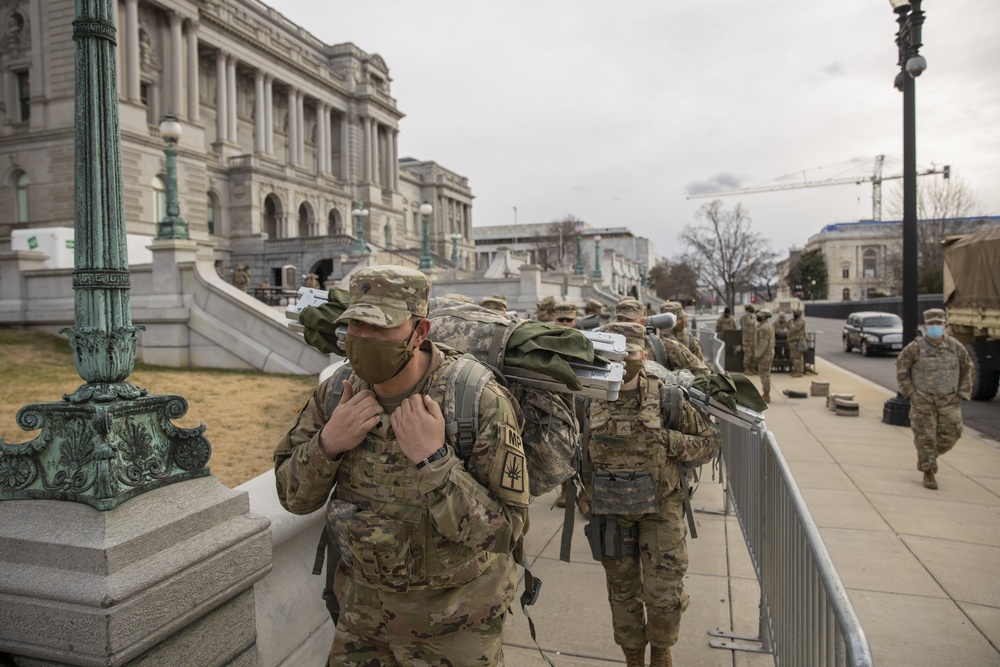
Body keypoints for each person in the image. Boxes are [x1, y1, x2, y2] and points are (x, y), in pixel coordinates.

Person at [273, 265, 529, 665]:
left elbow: (505, 530)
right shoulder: (337, 394)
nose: (364, 338)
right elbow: (292, 497)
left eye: (381, 327)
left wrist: (435, 461)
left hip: (453, 627)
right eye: (357, 324)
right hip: (361, 620)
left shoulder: (475, 400)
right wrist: (329, 443)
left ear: (419, 332)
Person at [588, 322, 719, 667]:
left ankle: (661, 651)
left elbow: (710, 443)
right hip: (612, 514)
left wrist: (671, 442)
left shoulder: (668, 397)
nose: (624, 359)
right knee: (622, 595)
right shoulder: (588, 398)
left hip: (661, 511)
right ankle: (633, 657)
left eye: (630, 352)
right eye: (616, 353)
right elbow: (573, 451)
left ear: (644, 355)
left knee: (663, 595)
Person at [895, 308, 972, 490]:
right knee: (926, 438)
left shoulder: (956, 347)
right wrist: (911, 394)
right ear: (925, 326)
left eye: (939, 323)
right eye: (931, 324)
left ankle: (928, 457)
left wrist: (961, 393)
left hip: (949, 400)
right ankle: (928, 471)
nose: (935, 327)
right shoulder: (915, 348)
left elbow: (967, 369)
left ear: (945, 325)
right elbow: (902, 370)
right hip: (923, 400)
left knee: (952, 434)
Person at [754, 308, 775, 402]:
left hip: (765, 355)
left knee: (764, 374)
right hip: (768, 353)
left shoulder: (764, 328)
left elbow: (763, 343)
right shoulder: (767, 325)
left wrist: (758, 355)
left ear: (763, 316)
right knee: (765, 373)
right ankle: (766, 393)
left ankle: (766, 394)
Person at [787, 308, 807, 377]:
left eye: (795, 313)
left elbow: (794, 329)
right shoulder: (794, 321)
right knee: (793, 357)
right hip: (793, 341)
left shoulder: (800, 322)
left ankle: (799, 371)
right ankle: (795, 370)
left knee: (797, 358)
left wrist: (791, 323)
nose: (793, 314)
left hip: (798, 342)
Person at [740, 304, 757, 374]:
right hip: (747, 338)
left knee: (753, 354)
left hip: (753, 337)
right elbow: (749, 323)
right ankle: (746, 368)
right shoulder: (745, 316)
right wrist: (754, 320)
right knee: (748, 354)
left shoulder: (752, 316)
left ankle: (752, 367)